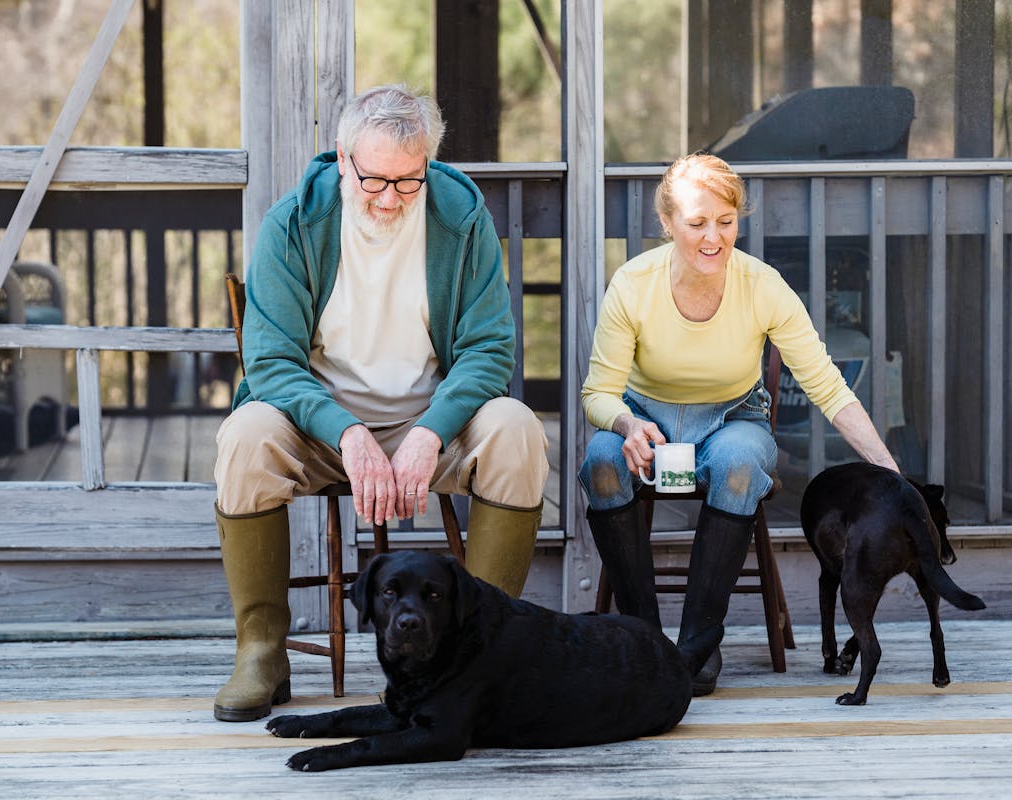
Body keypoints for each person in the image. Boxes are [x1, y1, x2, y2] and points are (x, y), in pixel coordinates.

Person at [211, 84, 549, 722]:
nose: (391, 198)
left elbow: (488, 350)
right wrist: (347, 432)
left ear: (428, 164)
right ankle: (261, 649)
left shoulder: (461, 214)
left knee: (515, 429)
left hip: (430, 419)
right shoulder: (293, 223)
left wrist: (430, 432)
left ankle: (482, 657)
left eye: (408, 181)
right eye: (374, 181)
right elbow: (272, 362)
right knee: (245, 436)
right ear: (342, 160)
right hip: (317, 425)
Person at [579, 153, 898, 696]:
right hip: (645, 417)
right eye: (697, 223)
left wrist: (888, 472)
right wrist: (627, 423)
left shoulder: (762, 284)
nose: (713, 237)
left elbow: (825, 382)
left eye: (725, 222)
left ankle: (697, 649)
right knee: (602, 463)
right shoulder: (633, 283)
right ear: (667, 223)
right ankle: (642, 641)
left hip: (733, 418)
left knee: (737, 464)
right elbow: (598, 394)